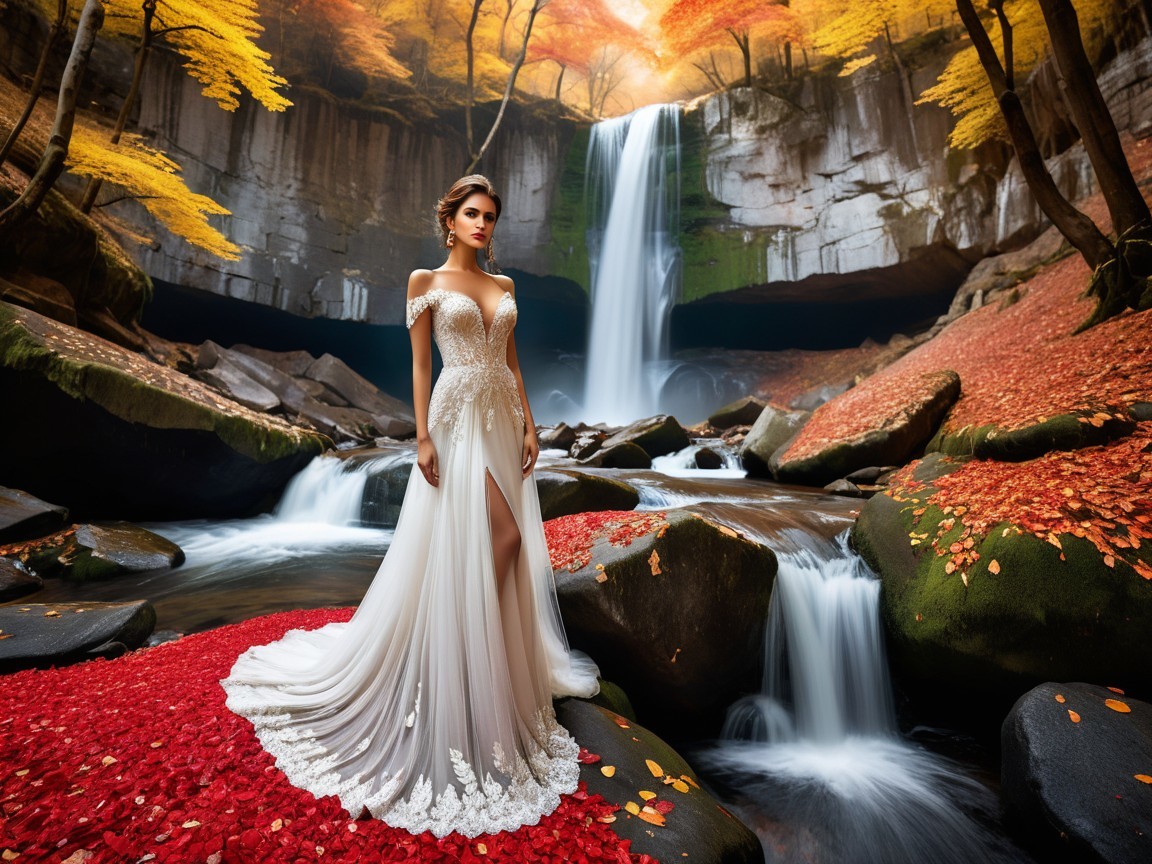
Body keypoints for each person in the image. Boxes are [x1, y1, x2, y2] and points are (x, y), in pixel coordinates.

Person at [220, 175, 601, 839]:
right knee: (504, 540)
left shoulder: (505, 289)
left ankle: (489, 667)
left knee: (498, 540)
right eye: (472, 214)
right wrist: (421, 433)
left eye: (491, 216)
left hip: (500, 418)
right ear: (450, 221)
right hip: (455, 419)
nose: (483, 225)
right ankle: (453, 663)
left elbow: (510, 365)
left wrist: (532, 425)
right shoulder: (425, 282)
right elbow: (422, 366)